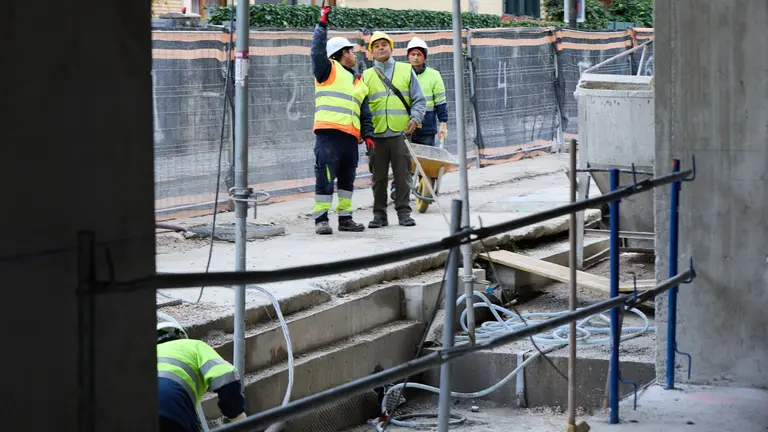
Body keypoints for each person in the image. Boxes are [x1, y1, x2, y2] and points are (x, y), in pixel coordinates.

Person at [310, 4, 374, 235]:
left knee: (348, 179)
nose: (354, 54)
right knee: (325, 177)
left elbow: (364, 112)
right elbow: (316, 51)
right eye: (351, 51)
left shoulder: (358, 81)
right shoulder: (327, 70)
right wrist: (322, 24)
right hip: (329, 135)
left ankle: (345, 218)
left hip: (350, 139)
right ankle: (321, 219)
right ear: (342, 54)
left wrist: (368, 135)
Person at [363, 31, 427, 228]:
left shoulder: (406, 70)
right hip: (377, 135)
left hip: (400, 133)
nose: (381, 48)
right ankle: (379, 215)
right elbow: (360, 106)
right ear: (371, 52)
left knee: (403, 176)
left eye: (384, 44)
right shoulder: (366, 76)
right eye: (376, 46)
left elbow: (419, 99)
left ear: (391, 48)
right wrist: (363, 132)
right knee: (378, 178)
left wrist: (415, 119)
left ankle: (403, 213)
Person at [389, 36, 449, 200]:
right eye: (412, 54)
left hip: (427, 125)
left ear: (424, 57)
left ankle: (426, 186)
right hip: (405, 123)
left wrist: (443, 124)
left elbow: (441, 102)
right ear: (408, 56)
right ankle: (398, 188)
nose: (415, 58)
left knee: (427, 160)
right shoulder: (400, 73)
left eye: (419, 55)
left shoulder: (434, 75)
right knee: (403, 158)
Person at [157, 322, 246, 432]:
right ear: (181, 336)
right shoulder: (193, 345)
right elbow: (225, 376)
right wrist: (235, 413)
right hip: (169, 401)